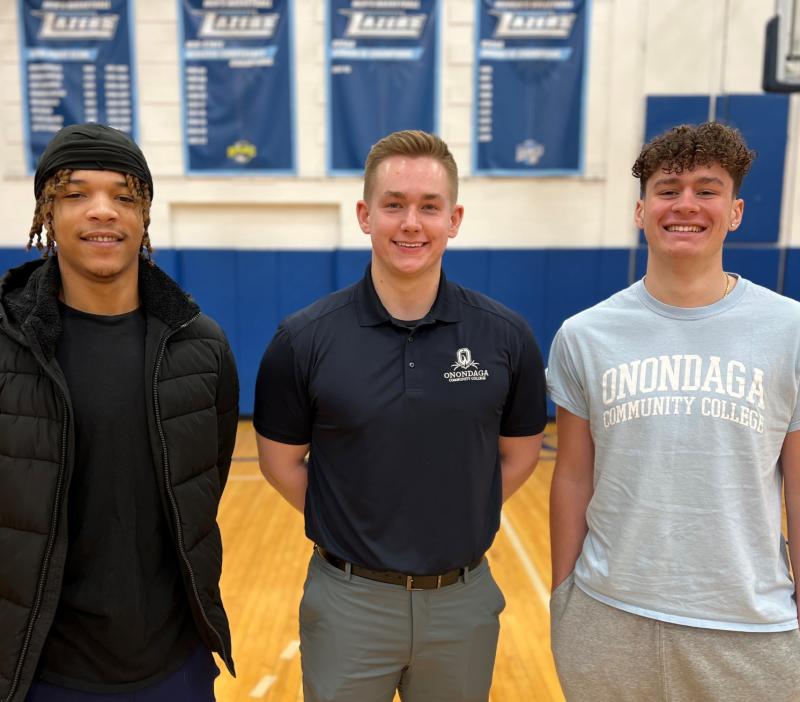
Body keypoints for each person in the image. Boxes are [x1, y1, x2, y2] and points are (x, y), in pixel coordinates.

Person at [254, 129, 547, 702]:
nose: (411, 222)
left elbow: (521, 454)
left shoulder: (506, 336)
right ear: (365, 215)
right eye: (394, 205)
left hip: (462, 602)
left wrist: (456, 515)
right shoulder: (303, 339)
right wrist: (358, 528)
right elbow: (279, 463)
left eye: (429, 207)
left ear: (454, 219)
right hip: (347, 602)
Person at [547, 122, 800, 701]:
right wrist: (565, 602)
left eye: (706, 190)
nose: (685, 204)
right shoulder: (585, 336)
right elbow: (572, 475)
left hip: (753, 630)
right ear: (641, 211)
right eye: (668, 189)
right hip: (609, 617)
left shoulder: (790, 330)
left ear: (734, 211)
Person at [0, 123, 238, 702]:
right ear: (46, 214)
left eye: (124, 196)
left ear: (145, 214)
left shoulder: (201, 345)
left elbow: (210, 475)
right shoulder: (5, 344)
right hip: (38, 672)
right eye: (76, 194)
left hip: (174, 666)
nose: (102, 211)